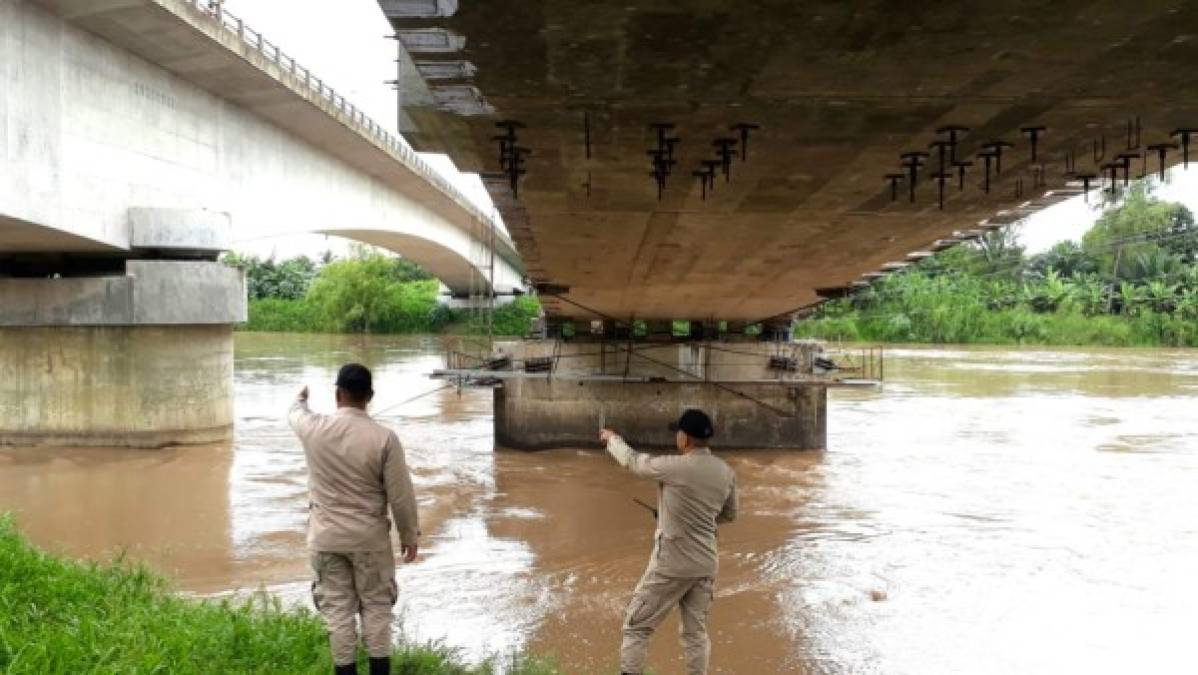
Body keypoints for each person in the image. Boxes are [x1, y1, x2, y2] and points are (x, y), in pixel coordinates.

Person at [289, 363, 420, 675]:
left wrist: (301, 399)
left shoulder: (313, 428)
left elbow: (294, 414)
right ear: (370, 396)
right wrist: (409, 536)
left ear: (338, 394)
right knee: (376, 608)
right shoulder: (385, 438)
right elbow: (400, 494)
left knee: (337, 611)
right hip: (369, 540)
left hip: (326, 540)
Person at [600, 409, 738, 675]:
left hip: (672, 563)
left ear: (685, 438)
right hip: (706, 564)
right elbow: (729, 515)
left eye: (679, 432)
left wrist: (612, 440)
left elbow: (633, 462)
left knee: (636, 627)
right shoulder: (726, 472)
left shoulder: (673, 467)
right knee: (695, 634)